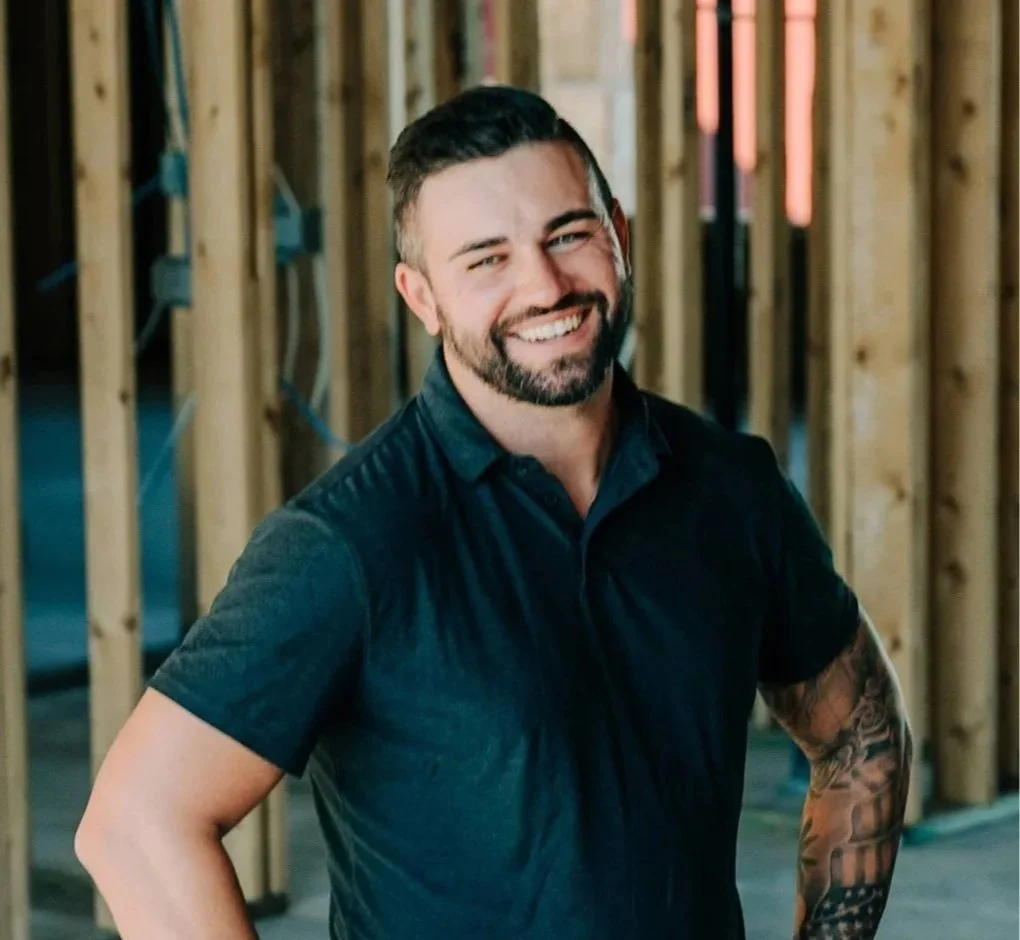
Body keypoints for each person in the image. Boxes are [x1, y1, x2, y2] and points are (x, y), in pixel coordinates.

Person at [75, 85, 913, 940]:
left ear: (619, 236)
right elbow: (138, 824)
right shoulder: (351, 543)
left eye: (569, 234)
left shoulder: (733, 489)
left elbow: (861, 737)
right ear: (423, 297)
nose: (544, 286)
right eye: (486, 259)